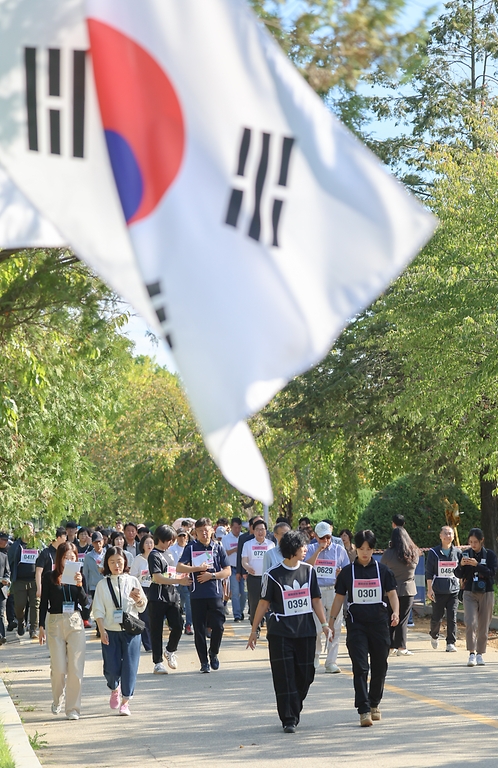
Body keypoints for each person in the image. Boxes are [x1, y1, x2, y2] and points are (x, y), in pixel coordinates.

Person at [247, 530, 331, 733]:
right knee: (284, 676)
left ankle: (294, 706)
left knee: (306, 674)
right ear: (293, 549)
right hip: (280, 633)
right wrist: (253, 631)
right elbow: (263, 603)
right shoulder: (273, 574)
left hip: (306, 631)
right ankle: (288, 719)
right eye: (303, 546)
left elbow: (316, 600)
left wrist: (325, 624)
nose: (306, 549)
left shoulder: (309, 571)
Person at [328, 530, 399, 727]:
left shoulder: (383, 571)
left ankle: (375, 702)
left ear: (374, 549)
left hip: (379, 624)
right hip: (356, 625)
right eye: (361, 549)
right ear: (356, 549)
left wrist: (396, 612)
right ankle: (364, 709)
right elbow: (339, 598)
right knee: (360, 667)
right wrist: (331, 621)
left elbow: (392, 594)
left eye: (369, 549)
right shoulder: (348, 572)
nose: (365, 553)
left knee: (379, 665)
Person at [92, 546, 147, 716]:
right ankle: (114, 688)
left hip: (130, 630)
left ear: (125, 562)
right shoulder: (102, 584)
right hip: (110, 630)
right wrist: (102, 631)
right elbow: (98, 610)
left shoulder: (132, 581)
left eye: (120, 561)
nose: (117, 565)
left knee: (130, 666)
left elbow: (142, 606)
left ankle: (126, 701)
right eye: (112, 562)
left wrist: (138, 600)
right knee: (111, 668)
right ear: (107, 564)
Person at [39, 542, 87, 720]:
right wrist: (41, 627)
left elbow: (86, 604)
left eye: (73, 557)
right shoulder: (49, 577)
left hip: (75, 621)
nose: (69, 560)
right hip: (55, 622)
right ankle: (57, 699)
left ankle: (73, 708)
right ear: (59, 558)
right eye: (66, 557)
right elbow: (44, 602)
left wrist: (80, 585)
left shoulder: (78, 576)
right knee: (58, 668)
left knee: (75, 668)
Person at [177, 518, 231, 672]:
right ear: (196, 532)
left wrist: (212, 576)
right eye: (200, 531)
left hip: (215, 593)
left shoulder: (218, 547)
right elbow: (180, 567)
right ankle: (203, 662)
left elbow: (227, 570)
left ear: (212, 530)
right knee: (199, 630)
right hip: (197, 594)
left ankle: (213, 652)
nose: (204, 533)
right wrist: (196, 569)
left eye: (206, 530)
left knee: (218, 626)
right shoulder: (191, 548)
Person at [306, 521, 350, 672]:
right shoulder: (310, 548)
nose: (325, 541)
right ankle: (315, 655)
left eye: (328, 537)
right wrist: (318, 551)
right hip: (315, 592)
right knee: (316, 627)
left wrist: (340, 574)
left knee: (335, 627)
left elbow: (347, 571)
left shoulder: (339, 550)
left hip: (333, 590)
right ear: (316, 537)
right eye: (322, 537)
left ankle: (331, 661)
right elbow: (306, 567)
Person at [454, 527, 497, 667]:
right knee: (471, 622)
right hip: (469, 592)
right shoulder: (465, 554)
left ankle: (480, 654)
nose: (473, 545)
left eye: (475, 542)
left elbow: (492, 572)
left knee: (483, 625)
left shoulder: (490, 555)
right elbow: (458, 574)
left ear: (481, 541)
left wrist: (477, 565)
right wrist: (461, 565)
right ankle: (471, 653)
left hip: (487, 592)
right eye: (471, 542)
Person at [147, 525, 184, 674]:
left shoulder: (169, 555)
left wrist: (181, 578)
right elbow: (157, 577)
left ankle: (170, 650)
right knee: (156, 631)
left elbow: (172, 574)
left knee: (178, 625)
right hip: (157, 597)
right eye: (169, 540)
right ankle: (158, 662)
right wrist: (178, 580)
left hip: (171, 595)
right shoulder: (153, 555)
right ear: (161, 538)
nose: (171, 543)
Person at [380, 526, 419, 656]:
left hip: (390, 589)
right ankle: (402, 646)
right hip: (408, 588)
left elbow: (383, 568)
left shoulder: (388, 553)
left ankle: (390, 646)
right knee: (403, 618)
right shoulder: (413, 552)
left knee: (390, 617)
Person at [425, 526, 460, 652]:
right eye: (445, 533)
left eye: (450, 533)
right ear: (440, 535)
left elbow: (461, 571)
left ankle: (451, 642)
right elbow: (429, 572)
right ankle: (434, 635)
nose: (448, 536)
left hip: (454, 591)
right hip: (438, 591)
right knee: (437, 617)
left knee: (452, 616)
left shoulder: (457, 552)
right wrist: (430, 590)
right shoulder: (433, 552)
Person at [241, 520, 275, 632]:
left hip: (267, 578)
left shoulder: (271, 544)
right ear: (253, 531)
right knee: (254, 603)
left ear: (266, 531)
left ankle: (270, 625)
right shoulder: (248, 544)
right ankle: (255, 628)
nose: (260, 532)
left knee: (269, 603)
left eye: (262, 529)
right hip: (254, 578)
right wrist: (247, 567)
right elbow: (244, 561)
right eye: (258, 529)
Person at [8, 522, 40, 638]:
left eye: (30, 529)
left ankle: (33, 629)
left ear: (33, 531)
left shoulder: (37, 544)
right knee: (19, 606)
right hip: (19, 581)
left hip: (34, 580)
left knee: (35, 605)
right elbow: (9, 562)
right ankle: (21, 622)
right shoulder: (15, 546)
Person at [130, 533, 154, 652]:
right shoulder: (138, 559)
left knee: (154, 617)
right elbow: (132, 577)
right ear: (142, 545)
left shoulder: (157, 556)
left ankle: (155, 642)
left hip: (155, 588)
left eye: (151, 542)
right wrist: (142, 577)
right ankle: (148, 644)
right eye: (147, 543)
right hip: (143, 589)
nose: (149, 545)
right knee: (144, 617)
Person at [222, 518, 245, 622]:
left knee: (244, 593)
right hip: (232, 568)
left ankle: (241, 611)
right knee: (235, 592)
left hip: (244, 569)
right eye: (235, 528)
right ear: (231, 527)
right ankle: (237, 615)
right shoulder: (226, 539)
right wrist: (235, 549)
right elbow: (224, 554)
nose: (237, 530)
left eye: (239, 528)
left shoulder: (244, 537)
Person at [35, 527, 67, 599]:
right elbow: (38, 572)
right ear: (58, 538)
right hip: (47, 587)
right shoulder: (45, 553)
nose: (66, 539)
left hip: (60, 587)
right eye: (64, 536)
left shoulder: (64, 553)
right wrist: (39, 588)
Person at [0, 540, 10, 645]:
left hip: (1, 589)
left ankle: (2, 636)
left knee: (1, 613)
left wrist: (6, 579)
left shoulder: (4, 556)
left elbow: (8, 572)